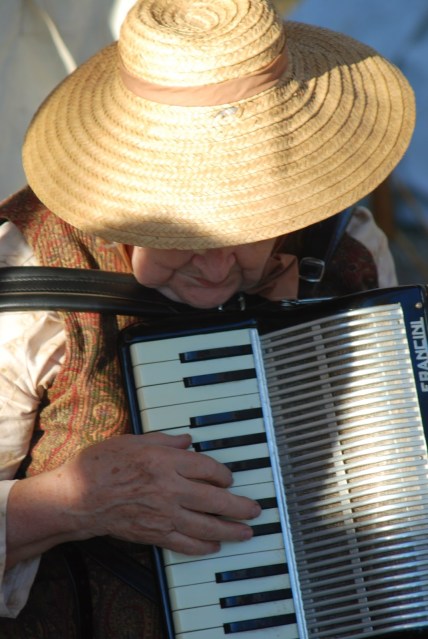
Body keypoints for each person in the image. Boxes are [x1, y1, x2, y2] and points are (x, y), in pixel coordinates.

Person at [0, 0, 415, 636]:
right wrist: (72, 502)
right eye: (185, 234)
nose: (218, 268)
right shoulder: (29, 275)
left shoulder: (349, 245)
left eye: (250, 226)